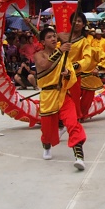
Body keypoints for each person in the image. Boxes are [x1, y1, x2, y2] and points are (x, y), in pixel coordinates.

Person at [34, 26, 86, 170]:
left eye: (54, 36)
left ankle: (79, 157)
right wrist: (60, 51)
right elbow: (44, 65)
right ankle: (47, 145)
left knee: (72, 123)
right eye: (49, 37)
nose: (53, 39)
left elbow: (72, 75)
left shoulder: (64, 56)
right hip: (47, 96)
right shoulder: (39, 55)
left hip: (63, 94)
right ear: (42, 41)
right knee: (47, 131)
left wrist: (67, 74)